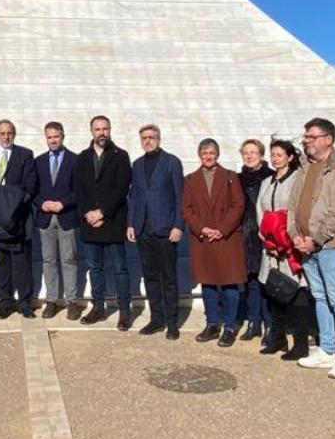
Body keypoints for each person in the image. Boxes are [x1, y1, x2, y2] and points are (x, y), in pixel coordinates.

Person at [290, 118, 335, 380]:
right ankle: (327, 348)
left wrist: (316, 239)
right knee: (319, 296)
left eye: (312, 136)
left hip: (329, 245)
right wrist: (295, 235)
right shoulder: (305, 167)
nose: (306, 140)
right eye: (306, 136)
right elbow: (294, 206)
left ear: (328, 139)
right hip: (305, 244)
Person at [182, 138, 246, 347]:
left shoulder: (230, 177)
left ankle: (229, 326)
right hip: (203, 239)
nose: (208, 157)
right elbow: (187, 209)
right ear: (199, 155)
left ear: (217, 154)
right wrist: (202, 228)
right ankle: (212, 324)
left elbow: (238, 205)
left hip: (226, 237)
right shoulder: (190, 180)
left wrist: (222, 229)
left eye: (211, 153)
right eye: (204, 153)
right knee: (207, 282)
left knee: (229, 283)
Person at [74, 115, 133, 330]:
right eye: (98, 129)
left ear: (110, 130)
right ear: (92, 131)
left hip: (113, 221)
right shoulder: (82, 157)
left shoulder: (121, 156)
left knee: (120, 269)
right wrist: (88, 215)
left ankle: (124, 311)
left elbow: (122, 188)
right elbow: (78, 189)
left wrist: (102, 213)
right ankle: (98, 307)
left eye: (105, 129)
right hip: (90, 224)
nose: (102, 133)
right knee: (95, 268)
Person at [0, 119, 38, 319]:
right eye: (2, 133)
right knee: (0, 263)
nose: (6, 136)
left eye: (9, 133)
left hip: (18, 217)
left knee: (22, 263)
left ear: (14, 134)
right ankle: (6, 303)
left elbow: (30, 186)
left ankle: (25, 303)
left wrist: (10, 204)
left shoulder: (25, 155)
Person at [127, 124, 184, 340]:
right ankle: (156, 319)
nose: (148, 140)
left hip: (166, 229)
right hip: (143, 230)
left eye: (151, 137)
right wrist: (131, 224)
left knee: (168, 278)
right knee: (150, 277)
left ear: (159, 138)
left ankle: (172, 323)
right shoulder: (137, 165)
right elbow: (134, 197)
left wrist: (178, 225)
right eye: (144, 138)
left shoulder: (172, 162)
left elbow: (180, 197)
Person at [255, 139, 308, 358]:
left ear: (290, 157)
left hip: (290, 246)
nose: (275, 159)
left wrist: (287, 240)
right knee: (273, 292)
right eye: (273, 155)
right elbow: (260, 210)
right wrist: (267, 239)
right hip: (270, 247)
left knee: (296, 294)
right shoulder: (267, 182)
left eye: (280, 155)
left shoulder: (297, 179)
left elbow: (298, 211)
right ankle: (277, 338)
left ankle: (300, 343)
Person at [35, 122, 80, 320]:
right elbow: (32, 189)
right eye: (49, 137)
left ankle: (72, 302)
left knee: (69, 260)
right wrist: (42, 203)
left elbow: (80, 190)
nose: (53, 140)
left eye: (56, 136)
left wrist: (64, 203)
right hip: (45, 218)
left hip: (67, 216)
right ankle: (51, 300)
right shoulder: (38, 161)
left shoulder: (75, 160)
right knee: (48, 260)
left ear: (63, 136)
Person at [237, 139, 272, 342]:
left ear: (261, 155)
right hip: (245, 236)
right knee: (250, 281)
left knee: (266, 281)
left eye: (253, 152)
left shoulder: (271, 177)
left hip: (265, 235)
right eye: (246, 153)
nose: (249, 156)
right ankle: (253, 322)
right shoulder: (237, 179)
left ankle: (270, 324)